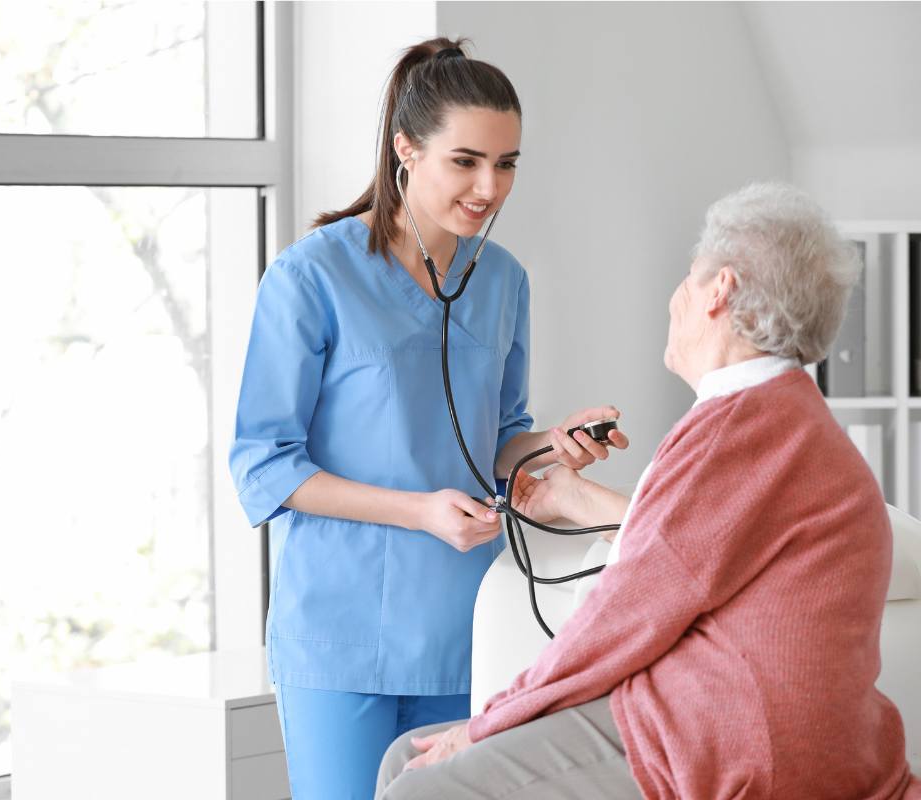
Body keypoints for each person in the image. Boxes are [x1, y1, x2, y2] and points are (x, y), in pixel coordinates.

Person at [375, 182, 921, 799]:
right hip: (766, 724)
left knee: (421, 785)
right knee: (406, 756)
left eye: (689, 279)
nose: (676, 300)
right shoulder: (788, 423)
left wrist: (492, 721)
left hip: (733, 738)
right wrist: (581, 503)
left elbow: (627, 612)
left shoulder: (736, 431)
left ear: (722, 290)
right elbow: (693, 549)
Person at [228, 37, 627, 800]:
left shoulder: (504, 281)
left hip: (462, 628)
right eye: (466, 161)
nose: (489, 186)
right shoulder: (313, 275)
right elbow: (265, 462)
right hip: (339, 636)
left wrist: (553, 445)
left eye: (506, 164)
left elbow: (497, 440)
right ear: (406, 150)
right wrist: (418, 512)